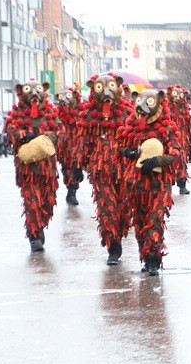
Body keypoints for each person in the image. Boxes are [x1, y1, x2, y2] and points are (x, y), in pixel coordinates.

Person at [116, 89, 182, 275]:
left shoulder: (167, 129)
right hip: (136, 185)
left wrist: (156, 161)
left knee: (154, 221)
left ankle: (154, 259)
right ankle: (145, 257)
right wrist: (127, 152)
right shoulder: (132, 127)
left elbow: (175, 154)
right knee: (139, 222)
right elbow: (121, 146)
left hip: (159, 185)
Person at [77, 73, 134, 264]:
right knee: (106, 208)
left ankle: (120, 233)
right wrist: (78, 165)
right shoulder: (88, 114)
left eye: (111, 86)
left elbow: (137, 136)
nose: (107, 92)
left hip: (125, 168)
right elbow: (83, 141)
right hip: (100, 171)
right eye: (101, 87)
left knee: (124, 208)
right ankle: (113, 247)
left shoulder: (128, 112)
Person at [4, 80, 60, 252]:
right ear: (21, 92)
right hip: (27, 168)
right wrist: (22, 134)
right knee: (32, 201)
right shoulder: (17, 113)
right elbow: (10, 132)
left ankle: (40, 226)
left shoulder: (50, 111)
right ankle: (34, 236)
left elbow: (60, 132)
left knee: (47, 202)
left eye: (38, 90)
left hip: (47, 167)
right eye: (29, 90)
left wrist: (49, 138)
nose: (34, 94)